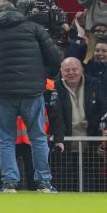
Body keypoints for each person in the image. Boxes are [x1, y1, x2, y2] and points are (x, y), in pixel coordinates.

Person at [0, 0, 62, 193]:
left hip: (2, 92)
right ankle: (44, 183)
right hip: (32, 90)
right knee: (38, 137)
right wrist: (45, 70)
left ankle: (9, 182)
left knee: (6, 139)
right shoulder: (34, 28)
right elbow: (55, 57)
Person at [52, 57, 107, 191]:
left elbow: (103, 108)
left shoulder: (94, 84)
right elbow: (54, 114)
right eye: (67, 70)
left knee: (90, 185)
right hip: (65, 145)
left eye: (74, 69)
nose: (71, 73)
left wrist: (92, 122)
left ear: (82, 69)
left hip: (91, 144)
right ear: (61, 72)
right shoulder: (54, 87)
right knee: (65, 186)